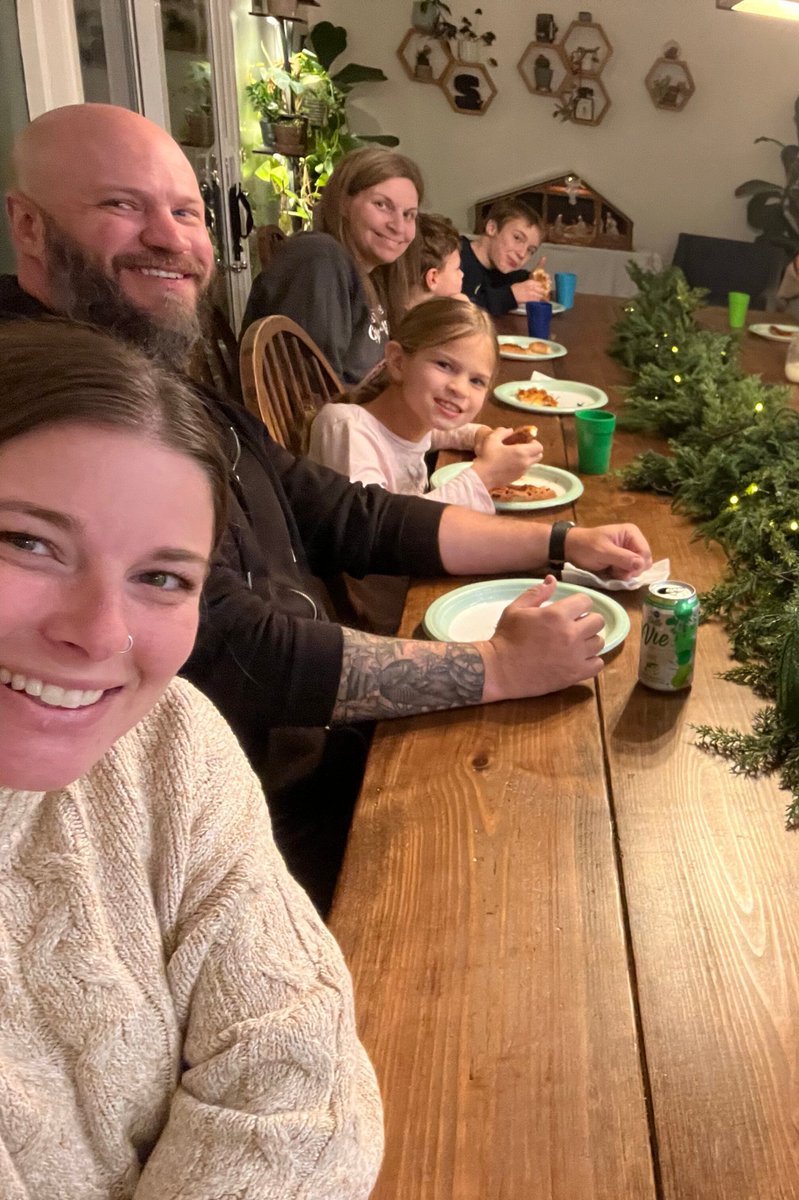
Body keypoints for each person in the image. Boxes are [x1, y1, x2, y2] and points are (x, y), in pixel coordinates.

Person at [2, 104, 652, 909]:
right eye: (121, 205)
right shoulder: (46, 410)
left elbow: (344, 512)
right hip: (264, 823)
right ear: (28, 225)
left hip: (318, 740)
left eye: (186, 212)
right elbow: (235, 649)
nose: (168, 238)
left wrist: (559, 542)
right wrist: (498, 668)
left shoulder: (156, 379)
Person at [0, 319, 383, 1193]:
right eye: (27, 541)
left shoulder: (167, 738)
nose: (102, 634)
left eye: (163, 578)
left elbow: (299, 1080)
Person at [308, 297, 541, 514]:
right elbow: (376, 528)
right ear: (398, 361)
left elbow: (438, 434)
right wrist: (484, 476)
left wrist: (480, 436)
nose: (460, 389)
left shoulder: (415, 421)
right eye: (444, 365)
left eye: (477, 381)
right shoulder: (346, 428)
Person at [242, 146, 423, 383]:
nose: (398, 226)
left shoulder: (372, 275)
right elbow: (315, 388)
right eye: (382, 205)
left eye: (409, 214)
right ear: (343, 203)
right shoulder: (320, 259)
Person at [461, 197, 549, 316]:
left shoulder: (497, 270)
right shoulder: (454, 258)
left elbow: (510, 279)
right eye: (517, 238)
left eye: (530, 250)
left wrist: (532, 279)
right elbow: (457, 310)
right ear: (492, 228)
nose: (522, 254)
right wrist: (511, 296)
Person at [416, 210, 466, 301]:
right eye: (457, 268)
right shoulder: (453, 309)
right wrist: (463, 308)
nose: (462, 274)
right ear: (433, 278)